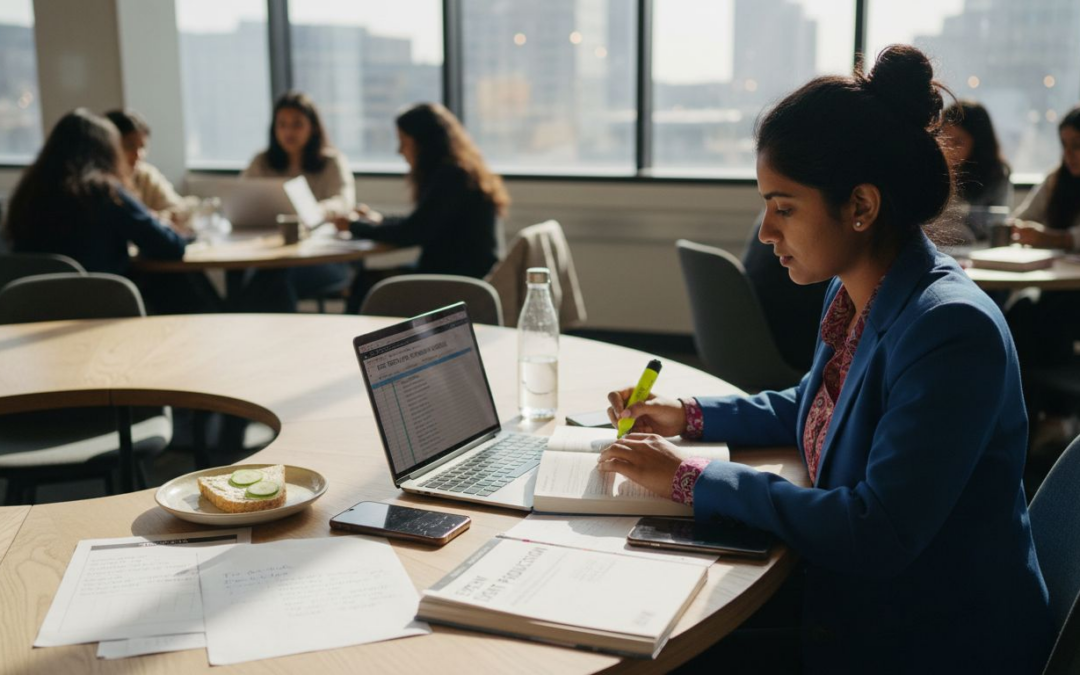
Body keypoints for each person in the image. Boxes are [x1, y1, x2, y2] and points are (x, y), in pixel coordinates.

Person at [600, 45, 1053, 674]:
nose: (765, 232)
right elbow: (816, 405)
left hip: (925, 641)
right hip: (858, 603)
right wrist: (686, 414)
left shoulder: (950, 329)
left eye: (783, 207)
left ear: (862, 207)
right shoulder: (855, 290)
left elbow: (875, 530)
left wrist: (692, 478)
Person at [1, 109, 209, 314]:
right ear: (108, 151)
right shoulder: (104, 192)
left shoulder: (28, 192)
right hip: (98, 306)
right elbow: (169, 246)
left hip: (29, 308)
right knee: (182, 285)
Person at [334, 103, 509, 313]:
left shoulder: (451, 177)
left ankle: (363, 344)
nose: (399, 151)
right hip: (462, 273)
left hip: (455, 280)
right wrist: (377, 221)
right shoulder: (459, 172)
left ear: (424, 143)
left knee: (366, 284)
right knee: (367, 281)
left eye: (404, 142)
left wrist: (354, 226)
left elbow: (412, 232)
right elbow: (420, 222)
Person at [239, 91, 356, 312]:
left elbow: (343, 201)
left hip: (322, 257)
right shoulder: (262, 162)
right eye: (282, 125)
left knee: (275, 279)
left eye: (297, 124)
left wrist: (313, 211)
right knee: (269, 275)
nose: (288, 132)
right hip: (268, 253)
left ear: (312, 127)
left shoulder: (331, 162)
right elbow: (241, 196)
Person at [103, 108, 198, 227]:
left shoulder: (146, 176)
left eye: (142, 147)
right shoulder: (98, 184)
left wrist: (150, 218)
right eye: (129, 146)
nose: (138, 155)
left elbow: (180, 210)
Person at [940, 100, 1013, 242]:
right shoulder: (935, 170)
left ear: (978, 144)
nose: (948, 150)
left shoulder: (996, 176)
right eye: (944, 140)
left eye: (957, 142)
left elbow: (994, 224)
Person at [1011, 105, 1080, 248]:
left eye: (1076, 145)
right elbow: (1021, 219)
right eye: (1064, 145)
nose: (1068, 154)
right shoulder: (1055, 178)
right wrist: (1022, 229)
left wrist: (1052, 238)